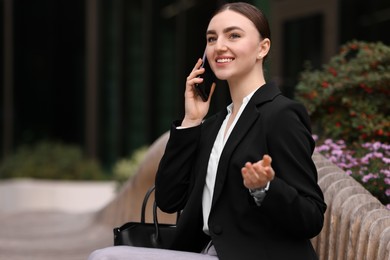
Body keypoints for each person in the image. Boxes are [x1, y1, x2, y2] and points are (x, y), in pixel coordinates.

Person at [88, 2, 326, 260]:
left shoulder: (281, 115)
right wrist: (191, 120)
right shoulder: (214, 124)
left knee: (107, 258)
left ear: (262, 48)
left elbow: (311, 216)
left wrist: (266, 188)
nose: (219, 46)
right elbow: (169, 199)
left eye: (233, 35)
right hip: (203, 252)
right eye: (212, 39)